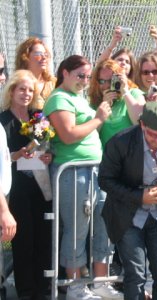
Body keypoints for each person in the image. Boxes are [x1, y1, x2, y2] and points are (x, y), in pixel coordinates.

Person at [44, 55, 121, 300]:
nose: (85, 81)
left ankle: (100, 281)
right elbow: (67, 135)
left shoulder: (79, 98)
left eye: (88, 77)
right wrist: (98, 118)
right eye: (80, 76)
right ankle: (75, 287)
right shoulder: (59, 98)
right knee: (76, 229)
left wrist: (99, 116)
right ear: (64, 73)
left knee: (103, 225)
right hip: (73, 172)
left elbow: (87, 132)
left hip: (95, 169)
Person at [99, 101, 157, 300]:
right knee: (135, 275)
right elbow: (105, 180)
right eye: (152, 135)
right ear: (142, 125)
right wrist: (139, 197)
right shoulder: (120, 142)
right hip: (127, 216)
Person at [0, 69, 52, 300]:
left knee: (43, 237)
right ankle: (26, 291)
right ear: (11, 91)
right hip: (16, 189)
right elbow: (3, 158)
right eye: (22, 89)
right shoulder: (3, 121)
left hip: (39, 186)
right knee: (23, 240)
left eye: (30, 90)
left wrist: (47, 156)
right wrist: (16, 155)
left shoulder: (37, 117)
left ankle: (43, 288)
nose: (26, 94)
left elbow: (45, 146)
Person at [89, 58, 145, 147]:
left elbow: (140, 122)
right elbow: (91, 135)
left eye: (111, 80)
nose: (106, 86)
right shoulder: (96, 102)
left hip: (130, 155)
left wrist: (125, 92)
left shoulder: (133, 94)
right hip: (108, 157)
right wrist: (104, 106)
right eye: (102, 81)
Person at [15, 37, 56, 108]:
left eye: (45, 54)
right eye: (38, 54)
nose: (44, 57)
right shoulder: (17, 84)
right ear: (25, 57)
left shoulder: (54, 83)